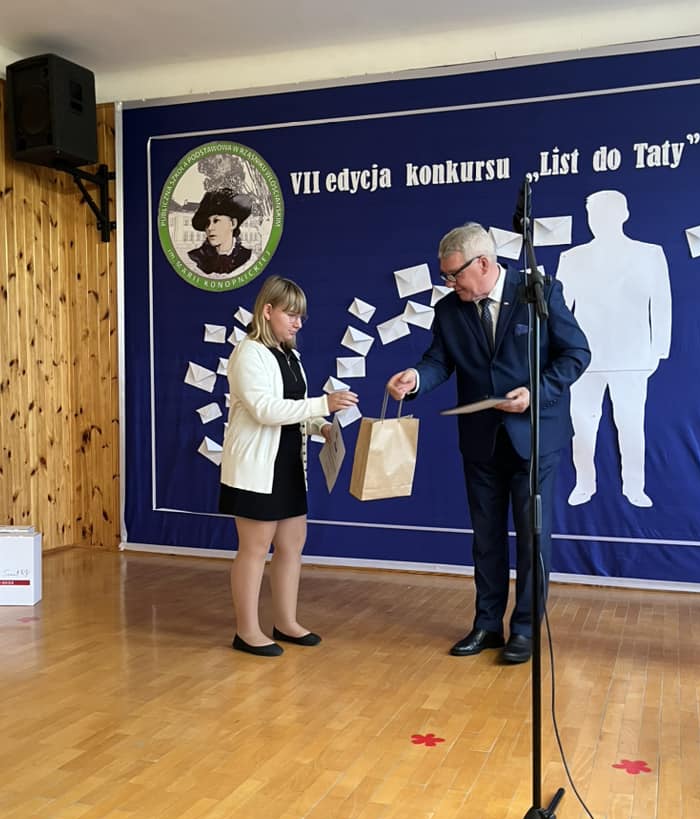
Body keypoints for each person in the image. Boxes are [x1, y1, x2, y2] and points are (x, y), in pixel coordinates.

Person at [387, 222, 590, 664]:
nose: (449, 282)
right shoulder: (449, 310)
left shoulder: (538, 292)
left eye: (453, 274)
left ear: (483, 263)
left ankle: (526, 629)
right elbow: (438, 361)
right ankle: (487, 625)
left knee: (532, 540)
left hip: (534, 437)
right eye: (444, 275)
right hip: (481, 441)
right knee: (486, 539)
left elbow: (576, 353)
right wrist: (415, 378)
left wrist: (536, 391)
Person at [220, 275, 358, 656]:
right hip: (256, 469)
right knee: (254, 549)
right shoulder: (248, 353)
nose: (298, 323)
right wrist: (323, 404)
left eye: (301, 317)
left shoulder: (290, 356)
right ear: (267, 311)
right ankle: (247, 631)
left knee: (292, 545)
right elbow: (265, 410)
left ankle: (286, 622)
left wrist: (320, 425)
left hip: (289, 464)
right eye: (291, 314)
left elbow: (293, 410)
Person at [556, 190, 672, 508]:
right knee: (582, 425)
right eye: (594, 215)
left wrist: (658, 351)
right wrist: (563, 352)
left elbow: (661, 304)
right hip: (584, 357)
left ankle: (635, 487)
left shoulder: (649, 254)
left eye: (606, 214)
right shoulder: (572, 258)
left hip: (633, 357)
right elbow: (560, 310)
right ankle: (584, 483)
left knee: (631, 424)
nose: (598, 221)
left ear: (624, 215)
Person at [189, 188, 254, 275]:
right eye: (207, 223)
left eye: (216, 221)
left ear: (233, 224)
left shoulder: (248, 258)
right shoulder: (195, 259)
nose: (210, 228)